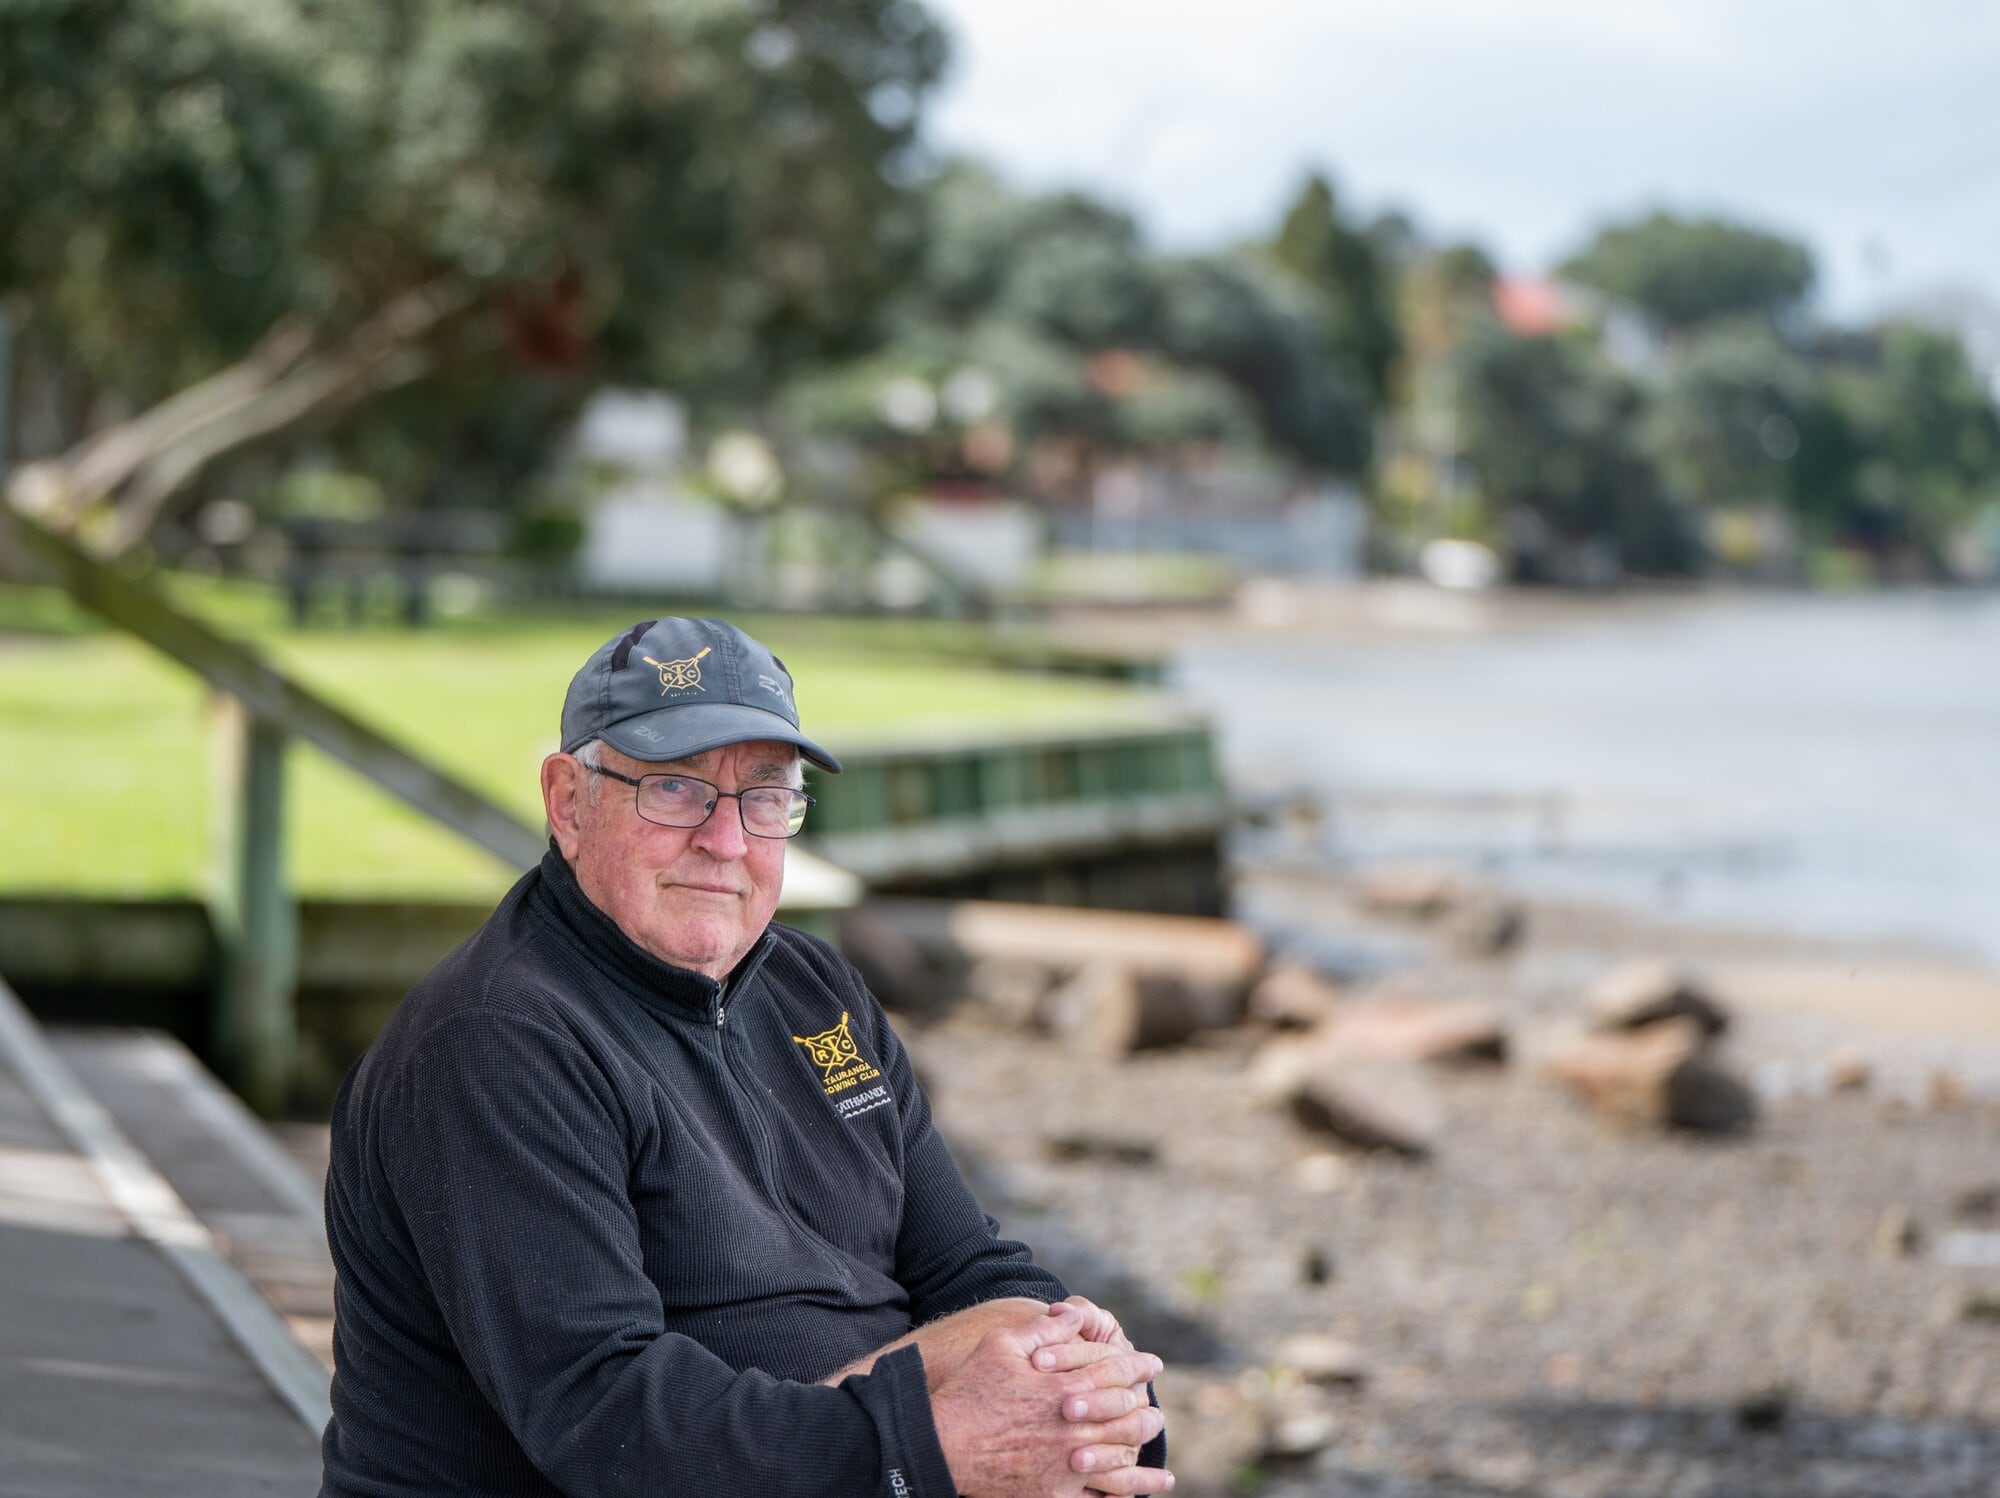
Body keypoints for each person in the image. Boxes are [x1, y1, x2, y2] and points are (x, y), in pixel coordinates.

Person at [319, 616, 1173, 1498]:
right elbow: (607, 1422)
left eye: (764, 796)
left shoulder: (815, 991)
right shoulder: (498, 1041)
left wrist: (1089, 1376)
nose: (725, 842)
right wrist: (926, 1447)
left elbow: (966, 1265)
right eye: (677, 790)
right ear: (569, 801)